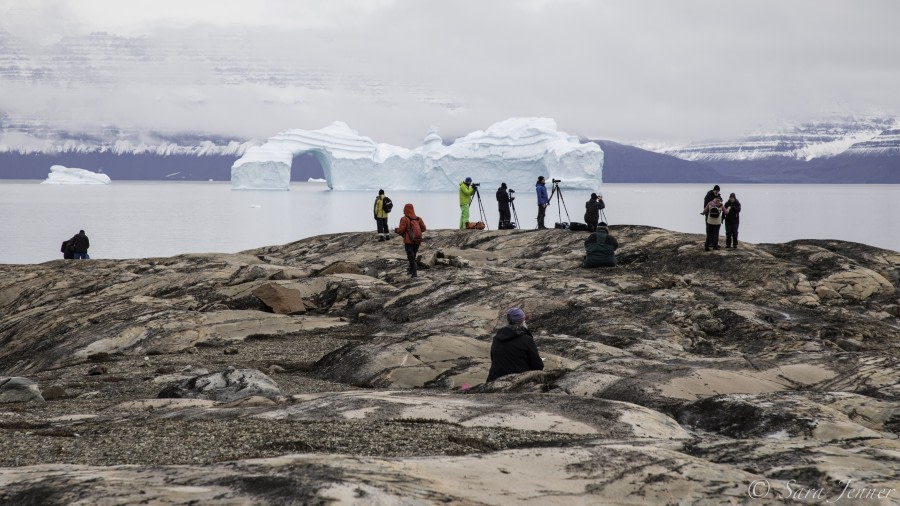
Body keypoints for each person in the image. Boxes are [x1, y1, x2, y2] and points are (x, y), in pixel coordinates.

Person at [486, 308, 544, 382]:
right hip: (518, 382)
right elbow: (538, 366)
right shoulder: (526, 339)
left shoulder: (496, 338)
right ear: (523, 321)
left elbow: (494, 359)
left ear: (508, 320)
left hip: (494, 380)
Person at [394, 203, 426, 277]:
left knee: (410, 257)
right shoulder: (418, 219)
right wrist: (416, 232)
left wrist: (396, 230)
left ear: (405, 209)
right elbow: (424, 228)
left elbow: (401, 231)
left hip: (409, 241)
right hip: (417, 241)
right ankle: (411, 270)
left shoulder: (404, 219)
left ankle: (414, 272)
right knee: (413, 256)